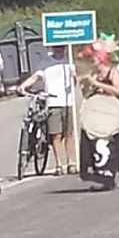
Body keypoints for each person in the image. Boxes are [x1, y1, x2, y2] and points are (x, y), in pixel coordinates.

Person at [17, 46, 77, 175]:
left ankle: (71, 162)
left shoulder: (69, 62)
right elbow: (34, 77)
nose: (58, 50)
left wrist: (75, 77)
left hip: (67, 101)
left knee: (69, 134)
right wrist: (23, 86)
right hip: (53, 103)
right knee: (56, 135)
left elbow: (75, 82)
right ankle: (58, 164)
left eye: (60, 48)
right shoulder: (45, 63)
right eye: (56, 48)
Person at [79, 45, 119, 190]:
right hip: (100, 115)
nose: (92, 61)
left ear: (101, 59)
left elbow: (117, 90)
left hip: (114, 114)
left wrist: (98, 84)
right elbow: (87, 95)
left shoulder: (113, 72)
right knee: (97, 145)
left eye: (94, 58)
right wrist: (86, 85)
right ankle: (104, 179)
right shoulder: (94, 74)